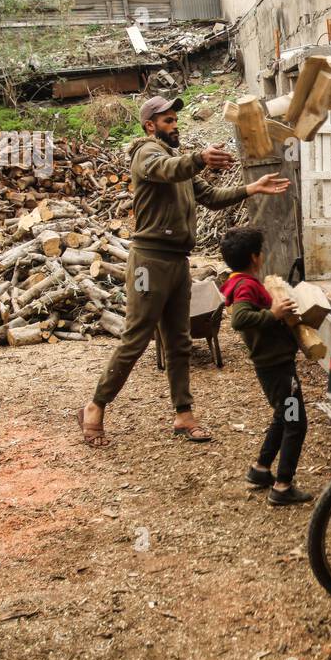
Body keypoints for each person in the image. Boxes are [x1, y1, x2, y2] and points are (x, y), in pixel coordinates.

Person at [78, 95, 290, 447]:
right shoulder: (146, 153)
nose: (175, 126)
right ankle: (95, 405)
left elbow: (209, 195)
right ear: (150, 126)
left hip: (177, 261)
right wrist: (199, 158)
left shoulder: (178, 163)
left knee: (178, 342)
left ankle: (183, 414)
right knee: (137, 337)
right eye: (168, 121)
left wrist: (252, 187)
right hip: (149, 261)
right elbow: (166, 169)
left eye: (176, 120)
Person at [219, 227, 312, 507]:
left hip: (272, 365)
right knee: (296, 422)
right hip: (277, 367)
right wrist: (273, 313)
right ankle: (283, 486)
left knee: (283, 415)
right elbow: (240, 318)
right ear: (255, 257)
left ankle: (260, 470)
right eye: (262, 251)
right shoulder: (246, 286)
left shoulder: (239, 280)